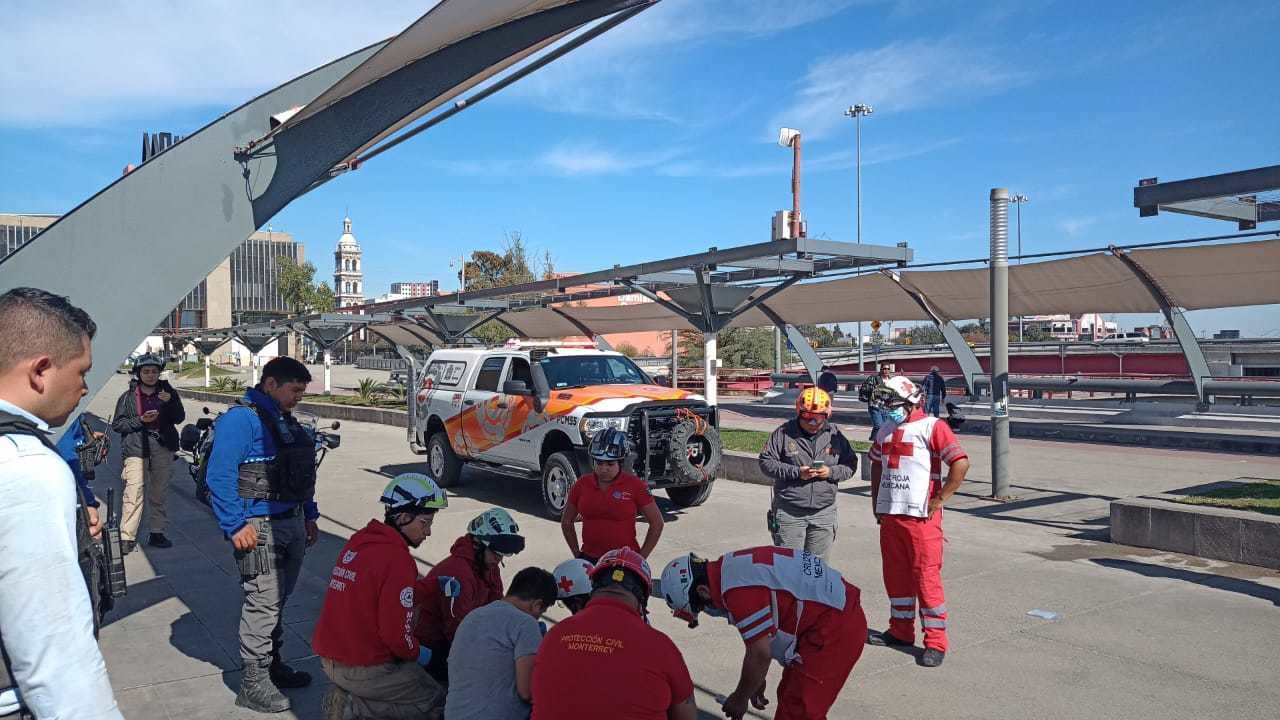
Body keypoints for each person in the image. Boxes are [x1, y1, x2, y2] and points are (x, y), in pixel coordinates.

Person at [0, 287, 123, 719]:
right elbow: (55, 655)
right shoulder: (25, 465)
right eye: (82, 371)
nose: (85, 387)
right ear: (41, 371)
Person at [205, 355, 320, 712]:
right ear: (270, 384)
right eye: (294, 390)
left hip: (291, 520)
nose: (299, 397)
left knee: (279, 600)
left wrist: (310, 516)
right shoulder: (242, 420)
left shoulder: (285, 421)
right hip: (257, 527)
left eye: (302, 391)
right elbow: (219, 475)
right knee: (263, 602)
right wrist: (234, 524)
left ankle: (272, 664)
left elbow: (300, 474)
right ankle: (253, 683)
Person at [659, 546, 867, 720]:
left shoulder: (736, 592)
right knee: (791, 698)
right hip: (835, 613)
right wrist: (755, 680)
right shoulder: (728, 568)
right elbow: (762, 637)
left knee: (798, 710)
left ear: (702, 591)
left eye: (701, 607)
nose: (708, 611)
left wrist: (740, 698)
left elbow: (759, 654)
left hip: (835, 628)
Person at [314, 473, 448, 720]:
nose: (428, 532)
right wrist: (424, 655)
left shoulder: (361, 541)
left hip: (332, 656)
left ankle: (355, 696)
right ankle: (352, 705)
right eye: (425, 523)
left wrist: (431, 587)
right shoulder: (397, 560)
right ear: (403, 517)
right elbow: (396, 637)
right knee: (436, 698)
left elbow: (380, 593)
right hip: (362, 666)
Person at [867, 376, 970, 668]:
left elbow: (960, 463)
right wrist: (876, 503)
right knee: (896, 577)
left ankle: (935, 642)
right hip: (891, 518)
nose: (888, 409)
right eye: (886, 403)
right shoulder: (885, 430)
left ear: (911, 401)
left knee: (926, 580)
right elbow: (876, 465)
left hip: (922, 521)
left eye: (893, 403)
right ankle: (900, 631)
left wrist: (939, 499)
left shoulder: (933, 427)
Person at [532, 548, 696, 720]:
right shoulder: (661, 647)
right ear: (642, 598)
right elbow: (686, 713)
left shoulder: (555, 635)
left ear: (594, 586)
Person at [417, 507, 526, 685]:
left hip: (461, 636)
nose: (499, 559)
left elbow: (497, 608)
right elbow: (458, 631)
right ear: (478, 544)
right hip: (436, 645)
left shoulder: (488, 566)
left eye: (503, 554)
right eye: (496, 553)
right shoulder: (459, 573)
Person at [758, 387, 857, 559]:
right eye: (807, 418)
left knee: (816, 569)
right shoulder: (783, 433)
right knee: (789, 567)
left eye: (818, 419)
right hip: (789, 512)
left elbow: (850, 464)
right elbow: (766, 462)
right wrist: (796, 472)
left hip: (823, 513)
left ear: (828, 414)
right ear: (799, 411)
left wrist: (831, 472)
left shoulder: (835, 435)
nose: (813, 424)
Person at [445, 567, 557, 720]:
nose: (538, 618)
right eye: (541, 612)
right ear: (537, 604)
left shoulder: (473, 616)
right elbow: (527, 692)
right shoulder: (526, 624)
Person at [111, 352, 185, 552]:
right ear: (138, 373)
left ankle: (157, 532)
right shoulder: (127, 397)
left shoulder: (168, 393)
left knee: (158, 492)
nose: (150, 375)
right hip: (136, 447)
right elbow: (118, 424)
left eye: (154, 371)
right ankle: (127, 536)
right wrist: (140, 421)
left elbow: (179, 418)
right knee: (133, 490)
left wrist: (170, 402)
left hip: (162, 446)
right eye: (146, 371)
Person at [561, 426, 664, 564]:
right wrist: (577, 554)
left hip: (624, 560)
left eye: (610, 464)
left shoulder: (635, 485)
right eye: (599, 463)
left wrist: (641, 558)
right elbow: (567, 521)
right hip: (589, 559)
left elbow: (657, 522)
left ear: (621, 462)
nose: (604, 468)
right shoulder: (581, 484)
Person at [858, 364, 892, 439]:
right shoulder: (874, 378)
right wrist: (874, 388)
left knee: (884, 427)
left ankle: (874, 439)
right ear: (880, 370)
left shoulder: (891, 380)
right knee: (878, 425)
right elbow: (865, 388)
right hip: (875, 406)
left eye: (887, 369)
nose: (886, 371)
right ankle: (875, 440)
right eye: (884, 369)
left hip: (886, 407)